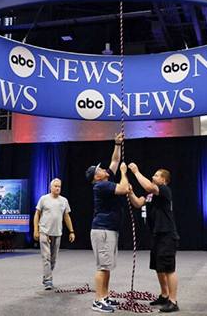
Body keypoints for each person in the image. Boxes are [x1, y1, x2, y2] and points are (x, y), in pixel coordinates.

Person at [127, 163, 180, 313]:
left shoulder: (164, 190)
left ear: (163, 181)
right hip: (156, 235)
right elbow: (138, 203)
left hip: (167, 234)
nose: (152, 177)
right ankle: (164, 295)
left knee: (169, 269)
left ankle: (173, 301)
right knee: (159, 267)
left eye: (156, 176)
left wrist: (136, 172)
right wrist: (130, 192)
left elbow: (150, 187)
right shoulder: (150, 195)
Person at [86, 132, 130, 313]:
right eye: (100, 170)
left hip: (109, 229)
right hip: (102, 230)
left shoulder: (105, 180)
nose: (104, 169)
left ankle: (105, 296)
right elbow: (124, 188)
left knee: (108, 266)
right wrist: (124, 174)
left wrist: (117, 144)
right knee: (102, 266)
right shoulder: (101, 185)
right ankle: (98, 300)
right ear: (96, 177)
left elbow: (114, 161)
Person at [33, 178, 75, 290]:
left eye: (59, 186)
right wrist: (36, 230)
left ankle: (46, 276)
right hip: (44, 231)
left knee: (53, 259)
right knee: (46, 257)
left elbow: (67, 216)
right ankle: (48, 281)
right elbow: (37, 214)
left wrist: (71, 231)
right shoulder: (44, 199)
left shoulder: (64, 201)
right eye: (55, 186)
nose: (57, 188)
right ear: (51, 187)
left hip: (57, 232)